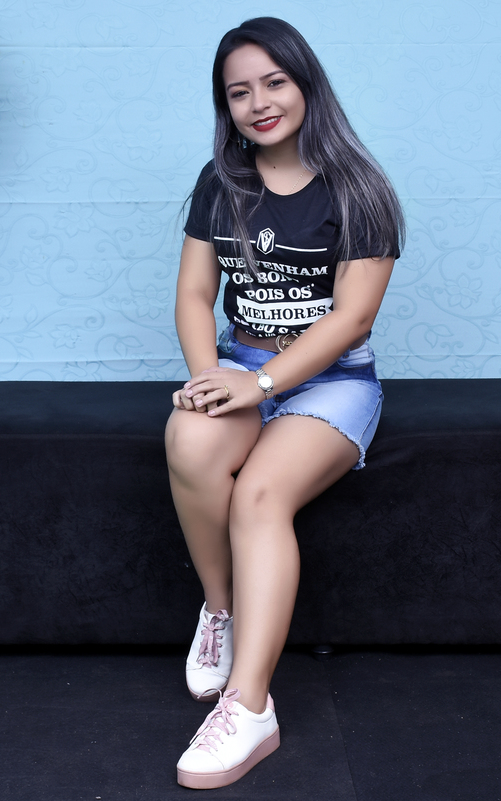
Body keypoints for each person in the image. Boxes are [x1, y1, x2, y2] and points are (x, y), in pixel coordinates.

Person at [165, 17, 405, 790]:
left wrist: (263, 383)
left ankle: (249, 706)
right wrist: (210, 378)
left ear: (306, 85)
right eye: (240, 92)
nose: (259, 103)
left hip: (331, 381)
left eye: (274, 82)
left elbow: (352, 318)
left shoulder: (361, 189)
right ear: (226, 106)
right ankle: (221, 612)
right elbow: (195, 295)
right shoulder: (220, 184)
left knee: (260, 494)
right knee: (189, 439)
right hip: (240, 365)